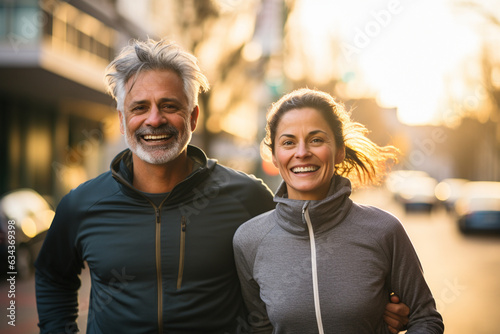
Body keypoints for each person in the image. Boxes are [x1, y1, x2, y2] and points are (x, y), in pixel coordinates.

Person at [35, 39, 410, 333]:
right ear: (121, 119)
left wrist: (372, 303)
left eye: (169, 105)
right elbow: (53, 276)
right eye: (139, 108)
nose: (154, 119)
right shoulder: (82, 204)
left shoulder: (246, 197)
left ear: (193, 115)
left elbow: (307, 254)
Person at [233, 88, 444, 333]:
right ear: (275, 156)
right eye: (288, 142)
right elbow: (260, 327)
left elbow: (426, 319)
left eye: (316, 140)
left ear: (339, 151)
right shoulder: (249, 240)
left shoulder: (384, 230)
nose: (302, 152)